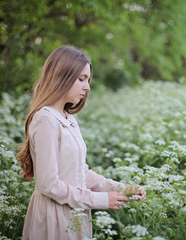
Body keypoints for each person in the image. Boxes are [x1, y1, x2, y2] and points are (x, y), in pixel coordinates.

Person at [16, 46, 146, 240]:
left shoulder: (67, 117)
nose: (87, 87)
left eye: (88, 80)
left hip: (75, 214)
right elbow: (48, 185)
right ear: (62, 76)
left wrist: (121, 189)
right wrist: (100, 200)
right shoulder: (45, 119)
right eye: (81, 79)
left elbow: (80, 173)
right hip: (54, 217)